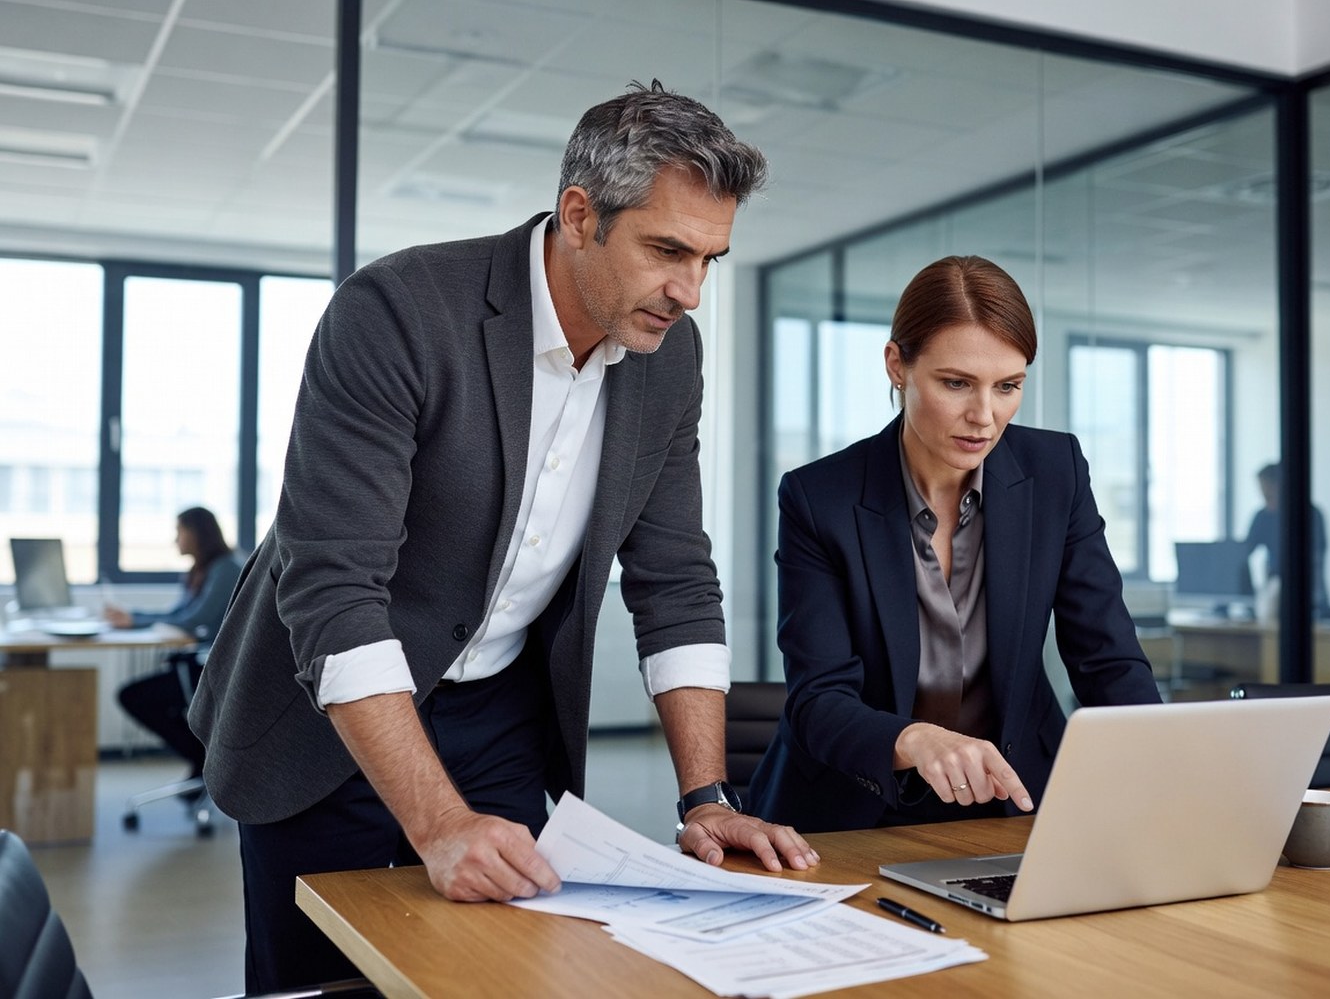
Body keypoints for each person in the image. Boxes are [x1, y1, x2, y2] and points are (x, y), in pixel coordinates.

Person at [187, 81, 816, 992]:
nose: (689, 291)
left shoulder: (666, 356)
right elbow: (332, 591)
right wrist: (437, 826)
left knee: (509, 976)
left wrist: (706, 794)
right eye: (667, 250)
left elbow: (676, 579)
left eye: (711, 259)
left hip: (501, 722)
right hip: (332, 724)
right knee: (326, 982)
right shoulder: (398, 312)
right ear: (578, 215)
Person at [748, 255, 1161, 834]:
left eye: (1008, 386)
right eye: (956, 383)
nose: (985, 418)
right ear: (897, 365)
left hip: (1016, 797)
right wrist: (916, 740)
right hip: (854, 808)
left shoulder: (1055, 471)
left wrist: (1168, 772)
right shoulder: (821, 498)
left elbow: (1107, 657)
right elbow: (818, 698)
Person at [107, 506, 244, 783]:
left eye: (179, 532)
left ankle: (202, 759)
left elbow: (196, 621)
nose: (176, 540)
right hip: (196, 665)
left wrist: (134, 619)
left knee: (134, 697)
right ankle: (202, 761)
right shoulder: (200, 570)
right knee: (141, 698)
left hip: (213, 671)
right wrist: (133, 618)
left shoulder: (225, 569)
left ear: (197, 534)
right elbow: (178, 616)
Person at [1243, 462, 1329, 613]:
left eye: (1269, 494)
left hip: (1307, 594)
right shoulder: (1263, 517)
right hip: (1273, 594)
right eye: (1263, 495)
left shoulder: (1311, 515)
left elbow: (1316, 558)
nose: (1266, 499)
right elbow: (1244, 552)